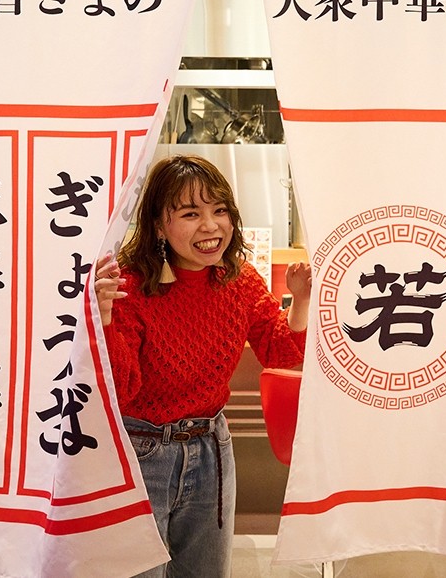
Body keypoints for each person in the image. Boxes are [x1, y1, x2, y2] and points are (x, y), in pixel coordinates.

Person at [93, 154, 312, 578]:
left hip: (212, 448)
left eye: (220, 210)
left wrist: (300, 300)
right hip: (141, 453)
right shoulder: (130, 287)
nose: (211, 226)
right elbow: (119, 391)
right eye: (191, 214)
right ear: (158, 225)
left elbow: (282, 355)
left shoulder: (240, 279)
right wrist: (103, 319)